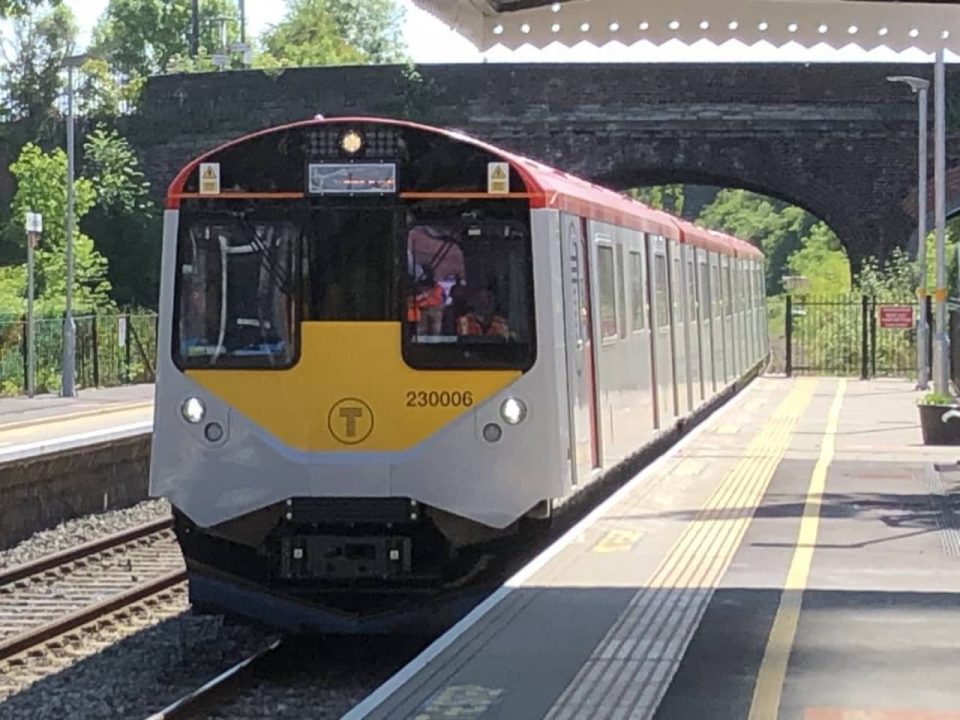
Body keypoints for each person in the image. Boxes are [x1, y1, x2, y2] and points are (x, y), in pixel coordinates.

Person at [415, 267, 445, 335]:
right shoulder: (418, 286)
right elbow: (412, 299)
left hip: (435, 309)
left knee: (436, 330)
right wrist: (421, 296)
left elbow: (442, 298)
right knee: (421, 331)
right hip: (422, 310)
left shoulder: (437, 287)